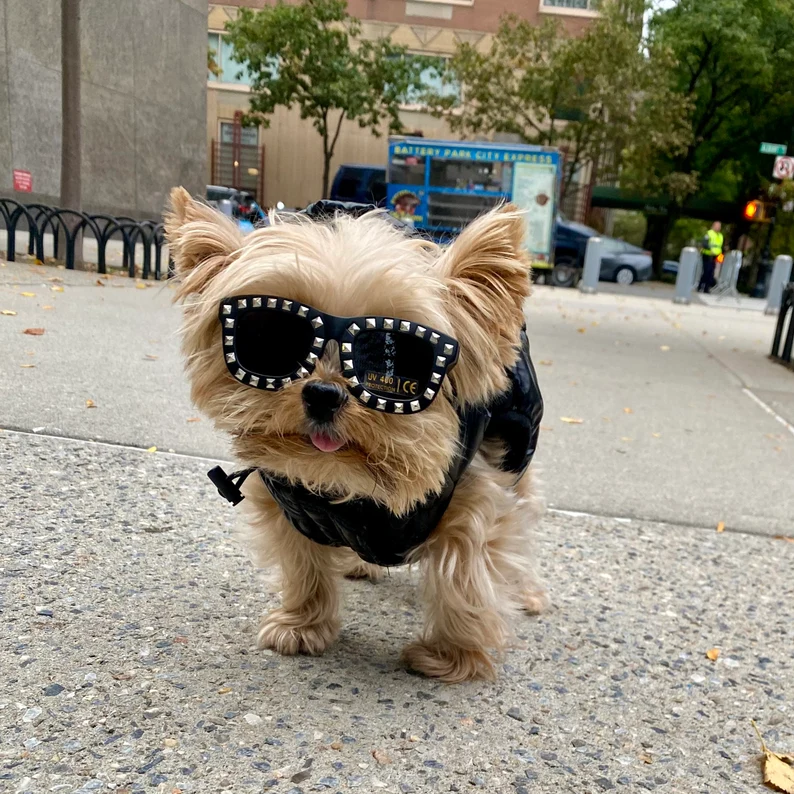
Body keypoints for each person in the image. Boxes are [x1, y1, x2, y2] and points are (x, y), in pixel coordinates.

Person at [698, 221, 724, 293]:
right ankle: (700, 286)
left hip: (716, 256)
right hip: (707, 255)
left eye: (719, 226)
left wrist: (720, 257)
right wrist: (710, 249)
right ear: (713, 226)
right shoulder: (709, 233)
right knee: (706, 271)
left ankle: (706, 288)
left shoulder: (720, 236)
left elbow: (720, 247)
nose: (718, 227)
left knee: (711, 272)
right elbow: (704, 243)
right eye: (717, 226)